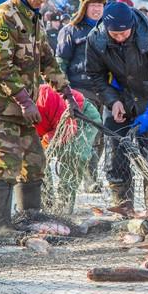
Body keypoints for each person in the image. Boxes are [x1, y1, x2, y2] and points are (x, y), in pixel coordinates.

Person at [0, 0, 76, 235]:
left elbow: (48, 61)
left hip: (21, 110)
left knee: (34, 161)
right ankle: (1, 227)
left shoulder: (34, 18)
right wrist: (25, 101)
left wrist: (66, 93)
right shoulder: (4, 17)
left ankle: (30, 218)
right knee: (5, 164)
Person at [86, 2, 148, 214]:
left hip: (147, 96)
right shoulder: (95, 38)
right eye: (114, 34)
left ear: (132, 26)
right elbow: (95, 75)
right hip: (117, 97)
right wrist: (112, 101)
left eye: (124, 33)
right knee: (115, 151)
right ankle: (123, 203)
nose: (120, 37)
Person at [57, 0, 108, 192]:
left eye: (100, 5)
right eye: (93, 5)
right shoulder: (70, 31)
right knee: (83, 138)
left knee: (100, 138)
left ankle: (91, 176)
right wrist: (64, 92)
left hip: (104, 91)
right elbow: (60, 64)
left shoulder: (109, 30)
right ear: (84, 6)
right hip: (80, 91)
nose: (97, 9)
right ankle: (77, 181)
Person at [34, 84, 102, 212]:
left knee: (74, 155)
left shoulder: (45, 96)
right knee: (36, 159)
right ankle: (45, 202)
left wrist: (46, 143)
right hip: (50, 128)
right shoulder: (9, 109)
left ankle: (64, 203)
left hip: (79, 116)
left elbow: (68, 126)